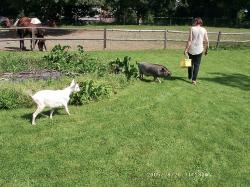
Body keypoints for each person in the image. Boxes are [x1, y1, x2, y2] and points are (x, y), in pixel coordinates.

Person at [184, 17, 209, 85]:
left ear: (196, 22)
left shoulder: (192, 28)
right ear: (200, 22)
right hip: (199, 49)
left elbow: (190, 40)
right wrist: (206, 50)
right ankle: (194, 80)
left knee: (190, 63)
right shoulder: (204, 29)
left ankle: (189, 75)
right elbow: (207, 41)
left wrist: (186, 49)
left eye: (194, 21)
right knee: (197, 65)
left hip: (191, 49)